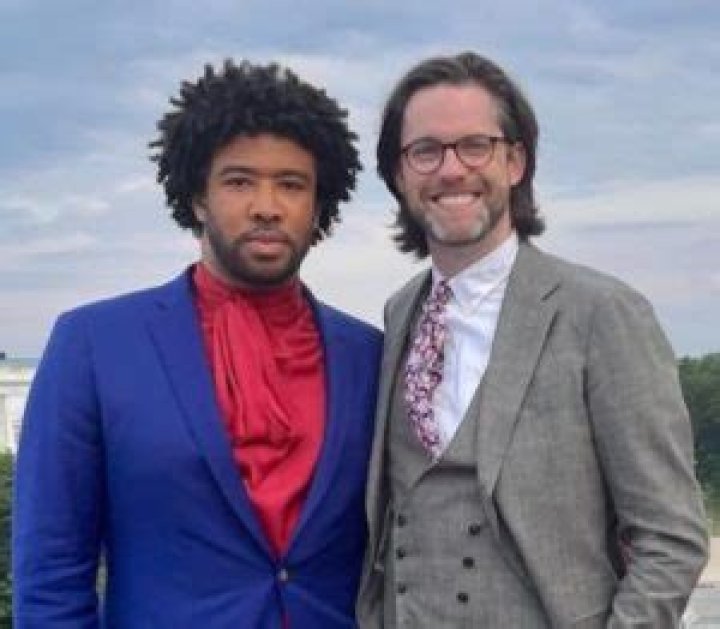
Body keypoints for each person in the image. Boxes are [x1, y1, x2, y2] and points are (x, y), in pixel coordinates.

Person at [13, 59, 382, 628]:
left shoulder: (369, 356)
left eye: (291, 184)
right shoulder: (93, 345)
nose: (266, 206)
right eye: (239, 181)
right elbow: (51, 575)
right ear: (197, 197)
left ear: (318, 206)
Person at [356, 51, 708, 628]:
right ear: (399, 174)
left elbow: (671, 537)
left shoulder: (601, 313)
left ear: (515, 161)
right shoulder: (398, 315)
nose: (451, 170)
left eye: (475, 146)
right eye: (426, 151)